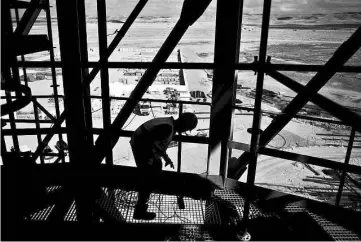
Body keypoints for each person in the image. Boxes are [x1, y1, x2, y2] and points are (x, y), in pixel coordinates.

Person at [130, 112, 198, 220]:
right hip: (141, 145)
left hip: (140, 142)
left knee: (155, 168)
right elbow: (149, 140)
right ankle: (139, 210)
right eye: (186, 129)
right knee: (149, 175)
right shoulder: (167, 128)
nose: (184, 132)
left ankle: (143, 199)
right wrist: (151, 159)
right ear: (184, 125)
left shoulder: (169, 124)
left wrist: (165, 158)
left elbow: (157, 143)